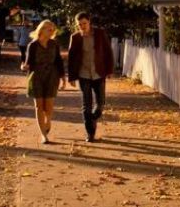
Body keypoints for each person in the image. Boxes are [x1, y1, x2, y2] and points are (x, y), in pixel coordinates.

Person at [67, 12, 114, 142]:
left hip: (99, 73)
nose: (82, 26)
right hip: (84, 74)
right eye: (79, 24)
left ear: (89, 22)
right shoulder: (75, 37)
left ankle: (93, 118)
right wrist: (71, 77)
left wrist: (109, 70)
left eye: (84, 23)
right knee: (86, 106)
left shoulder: (100, 33)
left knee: (100, 104)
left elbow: (108, 52)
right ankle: (90, 134)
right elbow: (71, 58)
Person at [21, 20, 66, 144]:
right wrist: (24, 67)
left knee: (49, 105)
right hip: (36, 76)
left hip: (52, 76)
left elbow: (58, 61)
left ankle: (48, 121)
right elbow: (28, 63)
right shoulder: (33, 45)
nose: (51, 31)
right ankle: (43, 135)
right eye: (49, 29)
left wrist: (63, 77)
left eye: (52, 29)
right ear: (41, 30)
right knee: (39, 106)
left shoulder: (54, 44)